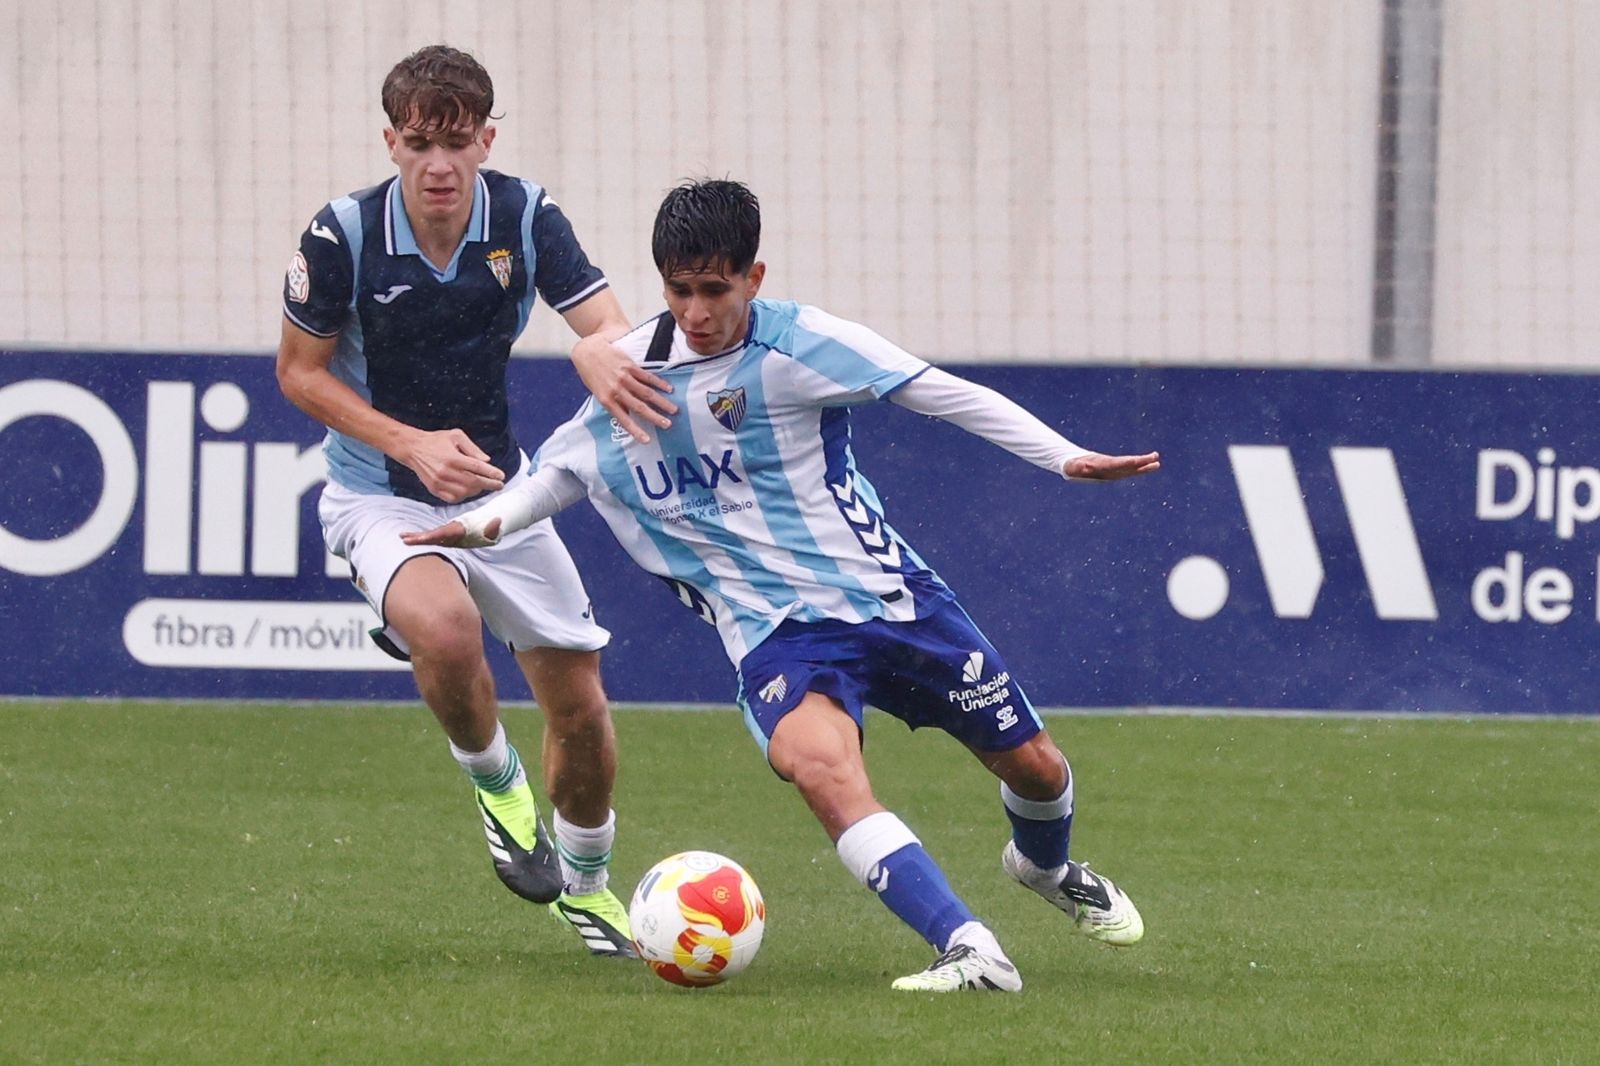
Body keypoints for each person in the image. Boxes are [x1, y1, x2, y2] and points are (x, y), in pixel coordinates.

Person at [404, 178, 1160, 991]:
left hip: (891, 601)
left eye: (714, 289)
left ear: (753, 278)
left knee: (1036, 768)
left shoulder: (801, 344)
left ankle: (1046, 869)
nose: (695, 311)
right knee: (821, 768)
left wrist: (1063, 457)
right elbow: (562, 472)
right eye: (679, 290)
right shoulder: (629, 374)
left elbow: (941, 393)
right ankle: (969, 948)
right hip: (774, 635)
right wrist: (479, 526)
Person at [276, 45, 674, 957]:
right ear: (391, 142)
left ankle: (588, 890)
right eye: (420, 144)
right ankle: (498, 788)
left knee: (582, 715)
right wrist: (410, 442)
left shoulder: (526, 216)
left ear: (486, 140)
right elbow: (298, 374)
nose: (439, 165)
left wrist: (596, 351)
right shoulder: (341, 236)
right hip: (378, 495)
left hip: (504, 492)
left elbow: (611, 329)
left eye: (457, 143)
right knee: (446, 630)